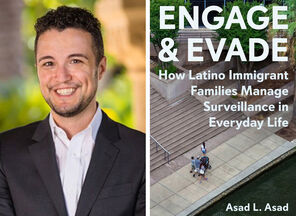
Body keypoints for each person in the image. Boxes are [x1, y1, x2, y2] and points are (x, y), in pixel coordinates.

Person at [0, 6, 145, 216]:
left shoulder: (140, 152)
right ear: (38, 70)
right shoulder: (5, 153)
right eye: (49, 63)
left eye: (75, 61)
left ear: (101, 68)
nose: (62, 76)